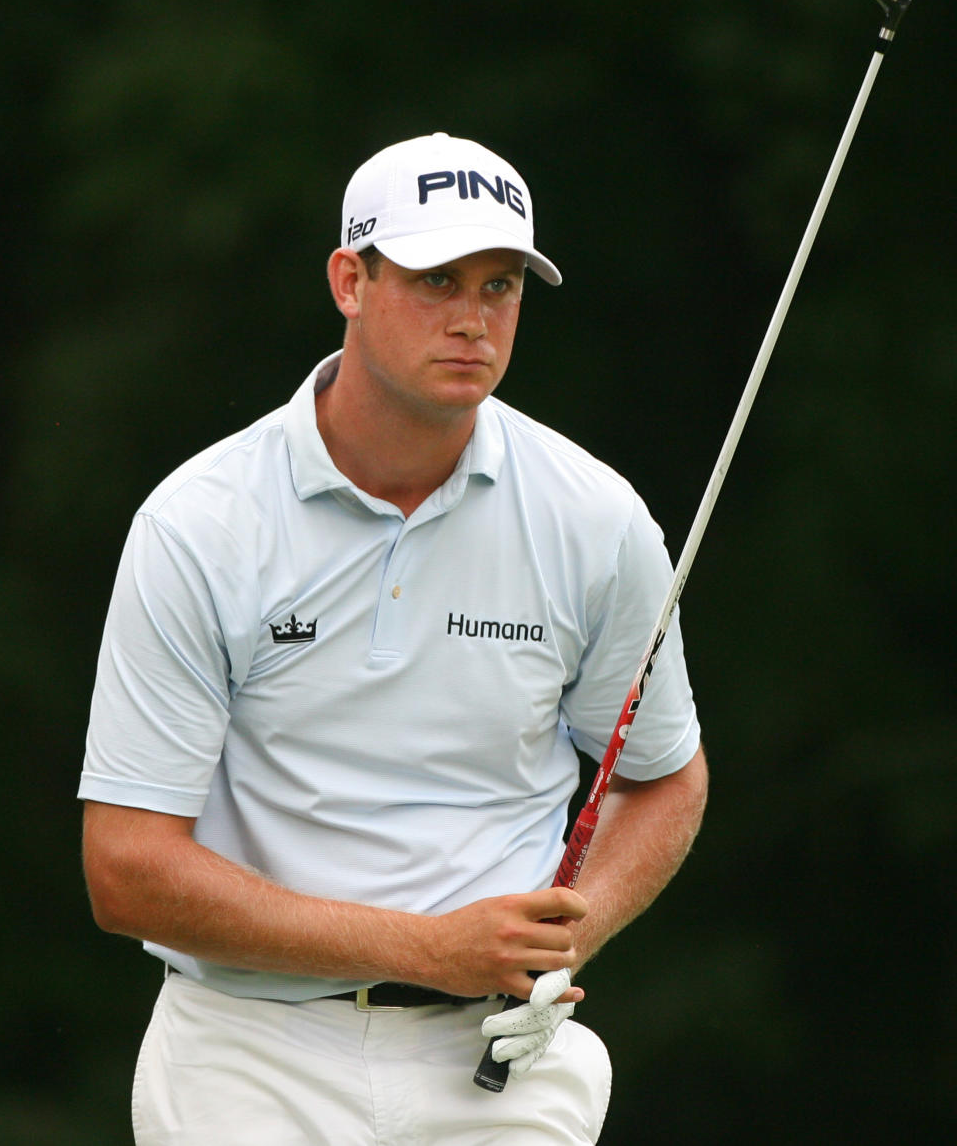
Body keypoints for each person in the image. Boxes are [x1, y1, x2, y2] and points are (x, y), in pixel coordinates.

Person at [79, 131, 708, 1145]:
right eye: (435, 279)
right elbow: (126, 866)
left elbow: (665, 777)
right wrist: (431, 947)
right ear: (350, 280)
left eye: (500, 286)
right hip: (246, 1053)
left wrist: (571, 927)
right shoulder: (200, 521)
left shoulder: (596, 518)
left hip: (497, 1061)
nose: (472, 318)